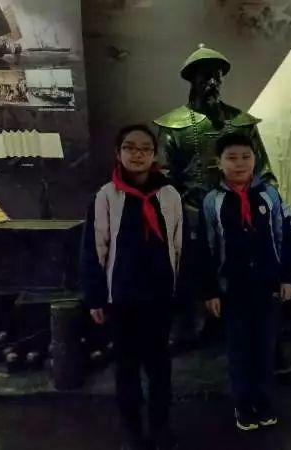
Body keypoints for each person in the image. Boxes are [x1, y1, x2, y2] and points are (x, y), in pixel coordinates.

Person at [153, 44, 275, 350]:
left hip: (239, 211)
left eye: (217, 76)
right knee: (192, 270)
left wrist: (270, 208)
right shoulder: (173, 126)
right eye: (205, 76)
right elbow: (164, 177)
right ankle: (191, 327)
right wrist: (181, 210)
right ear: (192, 79)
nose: (212, 82)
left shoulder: (240, 122)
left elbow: (263, 171)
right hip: (191, 212)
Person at [80, 125, 183, 450]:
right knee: (126, 369)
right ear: (118, 152)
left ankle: (161, 428)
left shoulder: (169, 195)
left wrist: (181, 291)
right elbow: (94, 247)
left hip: (160, 297)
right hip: (122, 298)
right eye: (130, 147)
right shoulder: (106, 195)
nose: (137, 154)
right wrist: (95, 296)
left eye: (145, 148)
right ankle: (132, 431)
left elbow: (180, 245)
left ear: (154, 155)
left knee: (160, 367)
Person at [197, 133, 291, 431]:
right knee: (239, 349)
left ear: (255, 160)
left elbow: (282, 237)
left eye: (245, 157)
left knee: (265, 347)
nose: (239, 163)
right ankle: (242, 403)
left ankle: (264, 401)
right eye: (232, 157)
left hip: (267, 285)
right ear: (219, 162)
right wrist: (210, 290)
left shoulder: (269, 195)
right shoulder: (212, 201)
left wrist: (286, 277)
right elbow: (206, 248)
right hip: (232, 288)